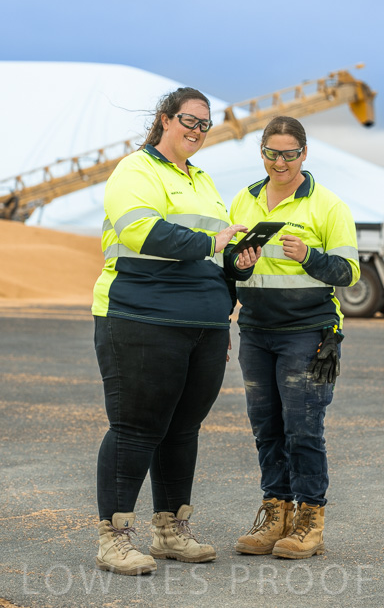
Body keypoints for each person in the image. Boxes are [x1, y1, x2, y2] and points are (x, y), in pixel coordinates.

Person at [91, 87, 260, 575]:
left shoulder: (204, 181)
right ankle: (114, 539)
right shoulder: (135, 170)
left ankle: (170, 531)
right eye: (189, 120)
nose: (197, 131)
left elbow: (214, 255)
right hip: (141, 317)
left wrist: (238, 262)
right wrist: (212, 241)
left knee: (183, 429)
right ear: (165, 119)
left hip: (203, 324)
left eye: (205, 125)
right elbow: (141, 231)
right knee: (135, 427)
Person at [230, 116, 360, 559]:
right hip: (255, 332)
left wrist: (309, 256)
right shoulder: (243, 200)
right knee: (266, 428)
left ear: (304, 153)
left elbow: (348, 272)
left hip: (307, 333)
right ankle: (276, 515)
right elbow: (228, 269)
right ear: (261, 152)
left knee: (302, 429)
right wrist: (239, 265)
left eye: (289, 154)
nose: (280, 162)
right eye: (272, 153)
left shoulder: (329, 206)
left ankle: (310, 521)